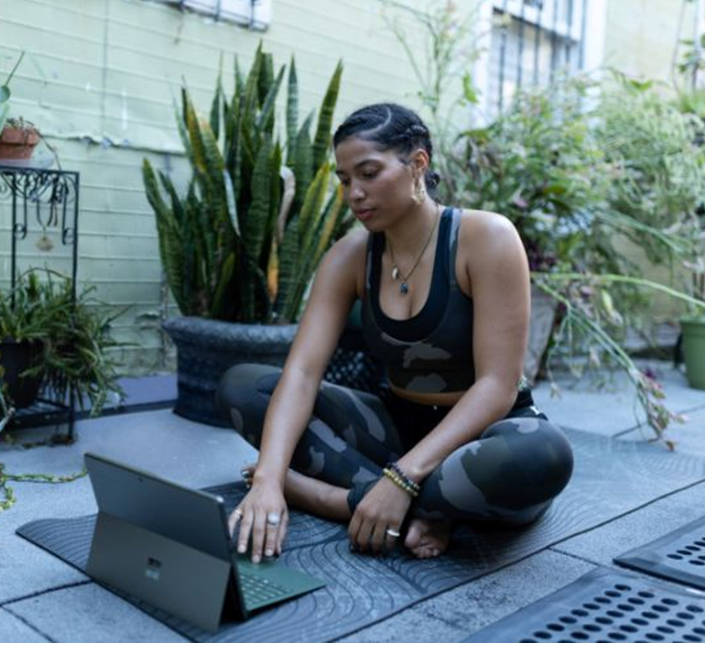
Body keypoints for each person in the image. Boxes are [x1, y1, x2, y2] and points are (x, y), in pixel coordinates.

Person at [216, 103, 573, 563]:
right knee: (243, 386)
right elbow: (302, 373)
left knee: (544, 456)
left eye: (368, 173)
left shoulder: (486, 239)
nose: (354, 193)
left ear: (417, 164)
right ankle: (422, 512)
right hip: (394, 428)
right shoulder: (350, 257)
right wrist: (267, 482)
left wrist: (402, 478)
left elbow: (497, 386)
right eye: (345, 180)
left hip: (482, 435)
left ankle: (334, 499)